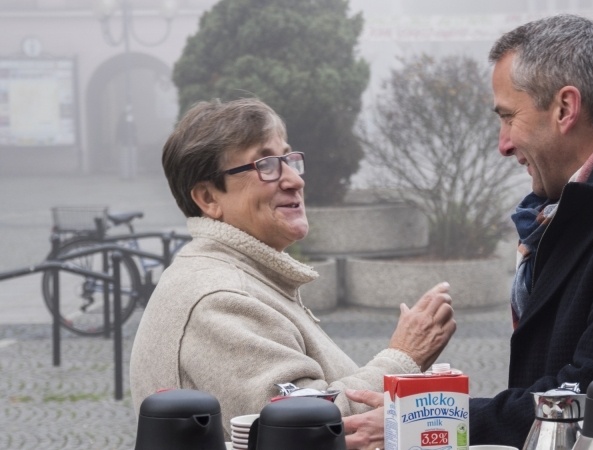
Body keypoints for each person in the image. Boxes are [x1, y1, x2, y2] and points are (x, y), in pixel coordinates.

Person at [345, 14, 593, 450]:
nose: (503, 143)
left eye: (509, 117)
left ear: (565, 109)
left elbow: (592, 404)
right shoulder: (580, 208)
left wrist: (429, 420)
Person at [129, 98, 457, 446]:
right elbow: (302, 431)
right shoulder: (220, 299)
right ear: (209, 198)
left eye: (289, 159)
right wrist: (403, 359)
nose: (293, 180)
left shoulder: (242, 276)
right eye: (266, 164)